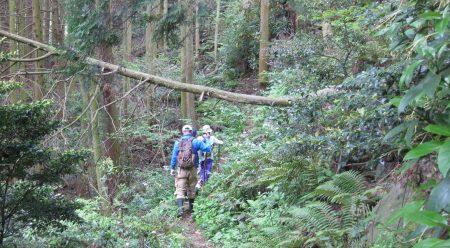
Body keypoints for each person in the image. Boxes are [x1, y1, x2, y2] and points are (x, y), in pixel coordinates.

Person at [170, 125, 211, 217]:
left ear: (182, 131)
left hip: (181, 170)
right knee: (191, 188)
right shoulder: (196, 141)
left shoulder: (178, 142)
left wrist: (172, 168)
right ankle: (191, 209)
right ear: (191, 131)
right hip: (193, 169)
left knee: (180, 189)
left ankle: (180, 210)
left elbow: (174, 157)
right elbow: (208, 149)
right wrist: (206, 139)